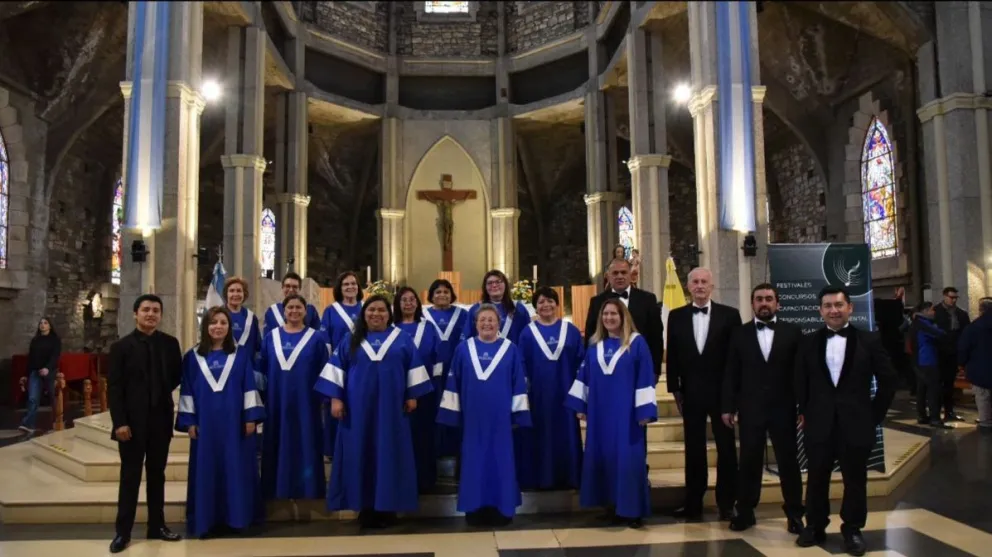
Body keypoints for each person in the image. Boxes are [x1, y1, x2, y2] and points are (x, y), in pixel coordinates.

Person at [794, 286, 896, 556]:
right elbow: (800, 381)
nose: (833, 310)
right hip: (819, 424)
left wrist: (873, 416)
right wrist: (805, 410)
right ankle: (815, 525)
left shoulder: (869, 340)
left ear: (850, 308)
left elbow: (888, 380)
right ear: (820, 311)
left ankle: (852, 529)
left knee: (855, 480)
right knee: (816, 478)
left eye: (839, 305)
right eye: (828, 306)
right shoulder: (808, 342)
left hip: (857, 423)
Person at [316, 295, 433, 528]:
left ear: (389, 315)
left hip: (392, 411)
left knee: (390, 454)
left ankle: (389, 508)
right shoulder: (350, 339)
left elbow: (413, 367)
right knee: (361, 453)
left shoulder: (402, 339)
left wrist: (412, 395)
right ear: (364, 314)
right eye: (371, 310)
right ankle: (365, 507)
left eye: (381, 310)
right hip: (357, 411)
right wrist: (336, 399)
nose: (376, 314)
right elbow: (336, 369)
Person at [437, 304, 532, 526]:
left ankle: (502, 508)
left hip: (501, 420)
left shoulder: (510, 349)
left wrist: (518, 415)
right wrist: (452, 414)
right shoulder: (463, 349)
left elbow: (518, 383)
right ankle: (474, 508)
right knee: (474, 461)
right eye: (483, 320)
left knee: (501, 460)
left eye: (491, 320)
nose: (487, 323)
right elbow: (453, 382)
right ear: (476, 323)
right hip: (472, 419)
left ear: (499, 323)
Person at [720, 284, 804, 533]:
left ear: (778, 303)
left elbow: (801, 373)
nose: (764, 303)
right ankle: (745, 511)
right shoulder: (739, 333)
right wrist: (728, 406)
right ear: (752, 304)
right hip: (750, 408)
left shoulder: (793, 332)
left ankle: (795, 514)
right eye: (759, 299)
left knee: (788, 462)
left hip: (784, 408)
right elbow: (731, 372)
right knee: (749, 461)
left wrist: (803, 407)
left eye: (768, 298)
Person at [566, 299, 657, 529]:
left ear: (623, 316)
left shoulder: (636, 344)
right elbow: (584, 375)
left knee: (628, 459)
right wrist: (581, 405)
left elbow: (645, 377)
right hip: (600, 414)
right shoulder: (595, 345)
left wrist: (644, 411)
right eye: (605, 314)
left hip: (627, 415)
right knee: (605, 457)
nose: (608, 318)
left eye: (613, 314)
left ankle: (632, 510)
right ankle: (611, 506)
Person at [176, 307, 265, 538]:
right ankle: (206, 521)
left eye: (223, 322)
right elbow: (187, 391)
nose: (218, 327)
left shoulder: (240, 355)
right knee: (206, 469)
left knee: (235, 468)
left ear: (229, 327)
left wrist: (250, 417)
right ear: (205, 326)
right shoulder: (192, 357)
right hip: (205, 425)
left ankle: (237, 518)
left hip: (235, 424)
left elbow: (248, 386)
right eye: (213, 322)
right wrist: (189, 421)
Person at [108, 294, 184, 553]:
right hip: (130, 424)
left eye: (155, 310)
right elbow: (114, 388)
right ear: (135, 313)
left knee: (157, 475)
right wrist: (120, 422)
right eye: (146, 310)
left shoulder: (170, 344)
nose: (151, 314)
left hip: (160, 420)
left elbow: (175, 376)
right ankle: (123, 532)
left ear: (160, 315)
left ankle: (157, 526)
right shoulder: (120, 347)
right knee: (130, 477)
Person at [665, 267, 740, 521]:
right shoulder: (676, 316)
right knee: (693, 449)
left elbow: (734, 360)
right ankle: (693, 503)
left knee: (726, 449)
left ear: (712, 286)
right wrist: (674, 389)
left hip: (722, 395)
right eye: (695, 282)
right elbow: (672, 355)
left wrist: (733, 397)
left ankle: (727, 503)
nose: (699, 286)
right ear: (688, 286)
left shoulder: (730, 315)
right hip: (691, 394)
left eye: (704, 282)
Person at [259, 294, 329, 501]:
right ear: (284, 311)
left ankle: (308, 488)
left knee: (306, 443)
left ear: (305, 311)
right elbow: (262, 370)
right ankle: (276, 489)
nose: (294, 311)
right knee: (276, 442)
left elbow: (324, 371)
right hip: (276, 402)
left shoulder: (316, 338)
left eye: (299, 307)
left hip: (306, 403)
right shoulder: (271, 337)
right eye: (290, 307)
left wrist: (322, 401)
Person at [514, 287, 584, 491]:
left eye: (550, 301)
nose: (546, 305)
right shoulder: (527, 333)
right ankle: (543, 478)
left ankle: (570, 476)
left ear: (557, 304)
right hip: (539, 396)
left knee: (567, 435)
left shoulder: (571, 330)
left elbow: (581, 363)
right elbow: (521, 364)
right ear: (535, 307)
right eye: (541, 302)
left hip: (566, 394)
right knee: (541, 434)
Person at [393, 286, 442, 493]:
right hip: (396, 392)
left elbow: (438, 358)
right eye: (404, 299)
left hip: (425, 391)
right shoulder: (391, 327)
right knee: (400, 435)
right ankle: (400, 479)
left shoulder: (428, 327)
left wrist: (435, 387)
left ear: (418, 303)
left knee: (423, 435)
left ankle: (425, 480)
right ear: (397, 303)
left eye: (412, 299)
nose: (408, 303)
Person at [584, 258, 663, 381]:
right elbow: (590, 335)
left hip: (640, 365)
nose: (620, 276)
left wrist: (655, 370)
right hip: (606, 366)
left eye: (623, 272)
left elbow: (656, 337)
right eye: (615, 273)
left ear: (630, 275)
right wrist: (589, 366)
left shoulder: (647, 299)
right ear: (608, 276)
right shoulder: (597, 302)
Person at [319, 270, 365, 457]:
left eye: (353, 283)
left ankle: (359, 447)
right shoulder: (331, 311)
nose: (350, 287)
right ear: (339, 288)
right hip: (337, 367)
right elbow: (325, 342)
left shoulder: (367, 308)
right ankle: (333, 451)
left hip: (362, 366)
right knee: (335, 406)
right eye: (346, 284)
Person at [423, 278, 469, 460]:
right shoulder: (423, 315)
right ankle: (436, 449)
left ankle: (455, 449)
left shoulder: (463, 314)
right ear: (431, 295)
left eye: (446, 291)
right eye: (438, 292)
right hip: (431, 371)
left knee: (456, 406)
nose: (442, 295)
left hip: (456, 368)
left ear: (452, 294)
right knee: (434, 407)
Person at [908, 302, 951, 428]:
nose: (934, 312)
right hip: (927, 360)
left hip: (918, 360)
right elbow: (940, 333)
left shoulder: (915, 322)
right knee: (933, 389)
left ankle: (922, 415)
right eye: (932, 310)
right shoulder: (923, 324)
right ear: (925, 311)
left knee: (922, 389)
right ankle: (935, 418)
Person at [18, 317, 62, 435]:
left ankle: (57, 422)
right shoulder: (35, 340)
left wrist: (47, 368)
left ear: (50, 326)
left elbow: (55, 356)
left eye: (45, 323)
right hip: (35, 372)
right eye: (41, 323)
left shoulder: (55, 340)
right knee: (32, 398)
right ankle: (29, 424)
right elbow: (31, 359)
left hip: (50, 372)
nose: (42, 325)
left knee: (53, 398)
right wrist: (25, 375)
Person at [933, 286, 970, 422]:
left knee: (949, 383)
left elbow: (966, 333)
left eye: (955, 298)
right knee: (938, 384)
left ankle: (949, 411)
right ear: (945, 296)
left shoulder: (961, 314)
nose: (953, 300)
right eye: (951, 297)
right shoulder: (936, 312)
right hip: (940, 352)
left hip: (954, 352)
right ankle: (936, 412)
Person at [463, 270, 530, 344]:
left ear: (505, 284)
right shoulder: (476, 309)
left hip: (512, 350)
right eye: (490, 283)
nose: (494, 285)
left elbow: (527, 337)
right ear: (485, 287)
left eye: (498, 282)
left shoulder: (519, 309)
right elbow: (468, 338)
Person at [958, 297, 992, 433]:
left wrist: (961, 363)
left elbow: (963, 348)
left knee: (983, 397)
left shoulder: (972, 328)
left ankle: (986, 423)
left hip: (979, 369)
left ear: (980, 310)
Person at [224, 277, 263, 389]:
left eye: (239, 291)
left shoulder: (251, 318)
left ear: (244, 294)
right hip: (224, 371)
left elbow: (257, 348)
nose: (235, 294)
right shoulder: (218, 315)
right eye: (231, 291)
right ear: (226, 294)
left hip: (247, 372)